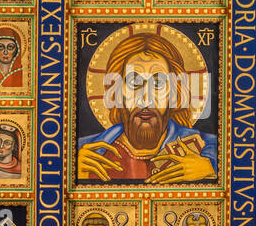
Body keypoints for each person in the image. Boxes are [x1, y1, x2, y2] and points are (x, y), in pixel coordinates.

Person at [77, 31, 217, 183]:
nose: (145, 99)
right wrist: (77, 174)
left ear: (174, 91)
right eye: (133, 82)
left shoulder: (210, 149)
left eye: (158, 83)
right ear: (117, 90)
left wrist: (211, 169)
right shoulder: (84, 153)